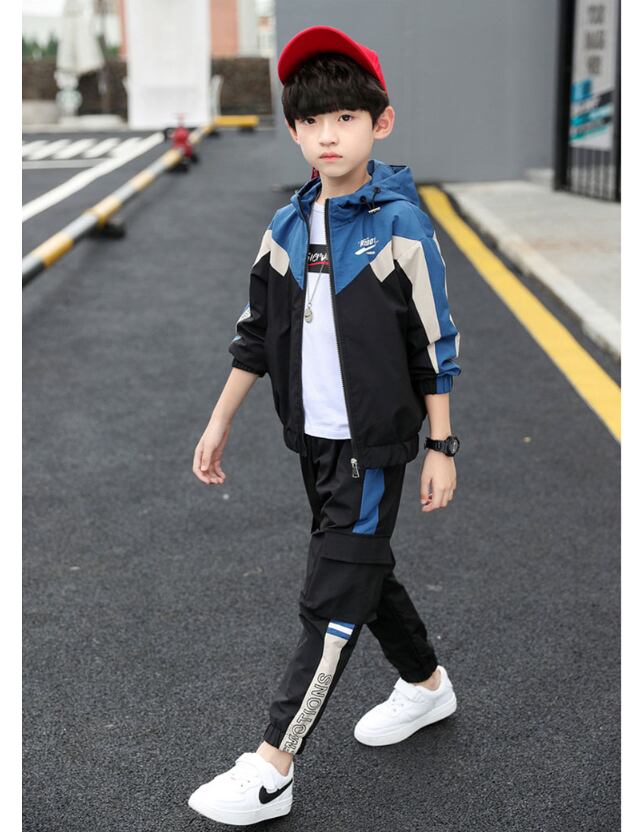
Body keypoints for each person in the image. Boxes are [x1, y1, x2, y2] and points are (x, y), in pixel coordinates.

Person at [188, 24, 462, 827]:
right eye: (310, 121)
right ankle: (426, 686)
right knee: (362, 571)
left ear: (381, 122)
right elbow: (253, 336)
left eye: (344, 117)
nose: (327, 135)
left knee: (331, 597)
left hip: (374, 448)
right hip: (313, 443)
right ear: (294, 131)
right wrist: (219, 420)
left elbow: (434, 342)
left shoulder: (400, 227)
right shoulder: (284, 228)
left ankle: (272, 766)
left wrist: (440, 445)